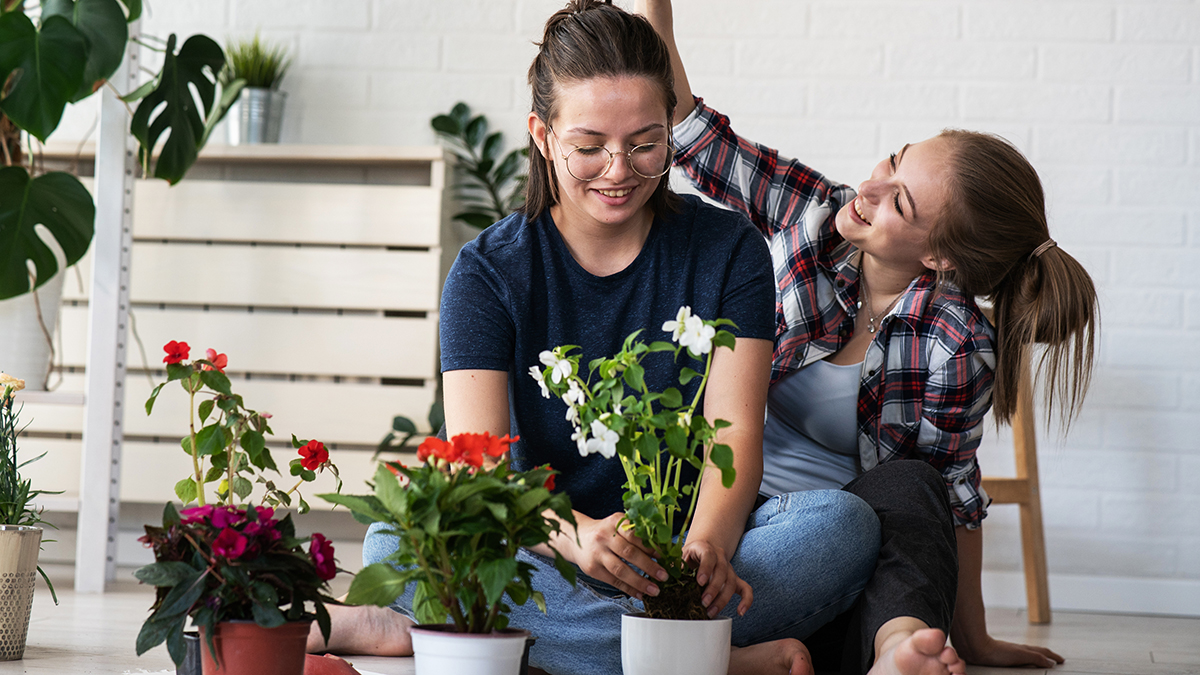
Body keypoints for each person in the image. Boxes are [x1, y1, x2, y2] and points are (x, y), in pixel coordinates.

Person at [311, 3, 882, 675]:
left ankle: (440, 626)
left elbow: (732, 435)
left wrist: (702, 551)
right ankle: (708, 657)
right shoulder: (488, 272)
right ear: (544, 136)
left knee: (844, 526)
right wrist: (579, 537)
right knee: (394, 543)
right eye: (589, 147)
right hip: (544, 550)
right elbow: (485, 475)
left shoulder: (728, 250)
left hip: (684, 557)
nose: (619, 170)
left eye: (645, 143)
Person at [637, 1, 1098, 674]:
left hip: (829, 539)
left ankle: (896, 648)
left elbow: (944, 500)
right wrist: (657, 16)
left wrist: (975, 637)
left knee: (910, 489)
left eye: (900, 201)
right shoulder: (813, 215)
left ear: (937, 258)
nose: (871, 186)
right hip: (721, 509)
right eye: (893, 159)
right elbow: (700, 139)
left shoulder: (957, 344)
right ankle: (738, 646)